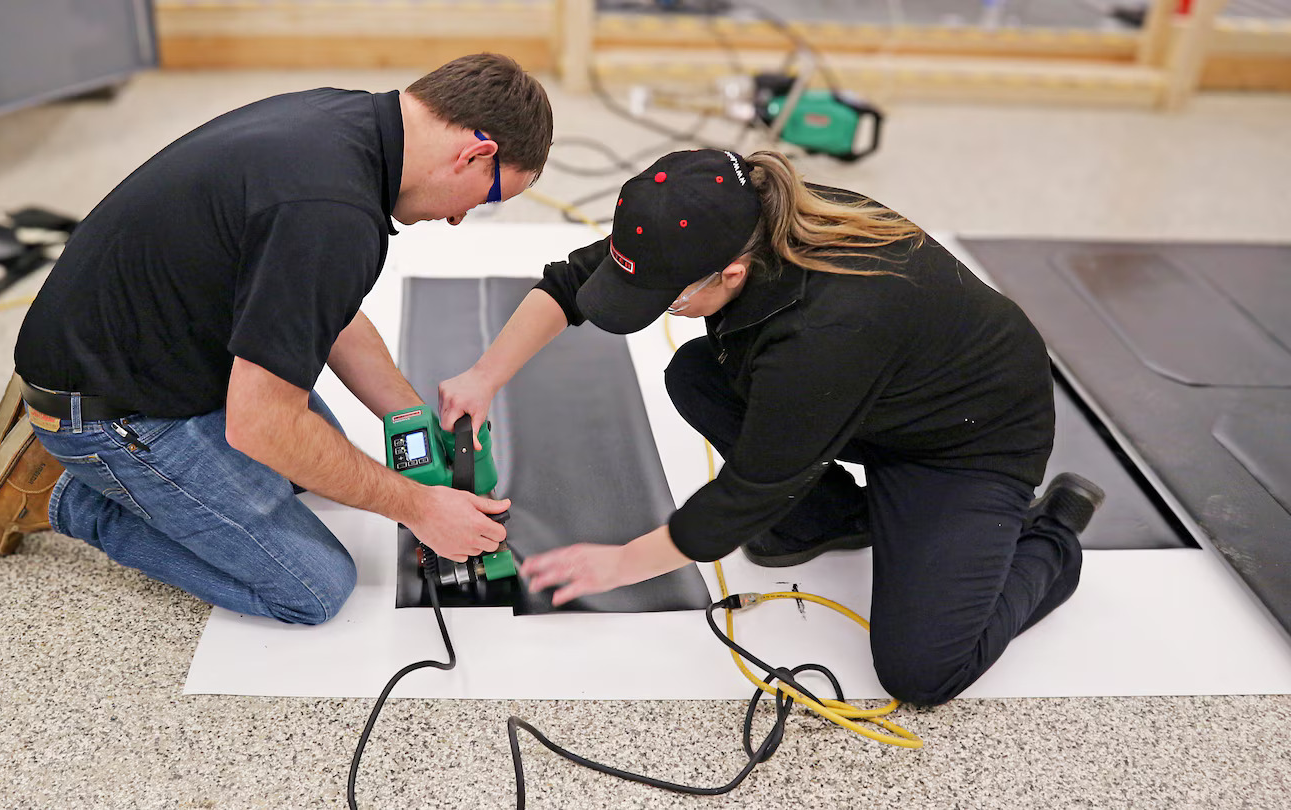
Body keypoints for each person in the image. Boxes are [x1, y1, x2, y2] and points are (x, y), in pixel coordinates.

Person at [438, 149, 1104, 706]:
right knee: (696, 375)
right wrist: (483, 378)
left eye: (671, 300)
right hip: (871, 397)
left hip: (967, 440)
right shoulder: (730, 217)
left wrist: (618, 563)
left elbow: (750, 491)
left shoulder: (828, 329)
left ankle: (1052, 538)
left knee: (921, 672)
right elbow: (570, 284)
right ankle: (835, 517)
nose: (667, 309)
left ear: (732, 273)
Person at [0, 53, 554, 626]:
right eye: (489, 199)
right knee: (314, 587)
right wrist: (420, 507)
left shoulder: (349, 124)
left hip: (141, 343)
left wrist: (409, 418)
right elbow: (261, 425)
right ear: (476, 154)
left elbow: (326, 307)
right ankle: (63, 495)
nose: (459, 218)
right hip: (108, 407)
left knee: (308, 467)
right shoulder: (332, 211)